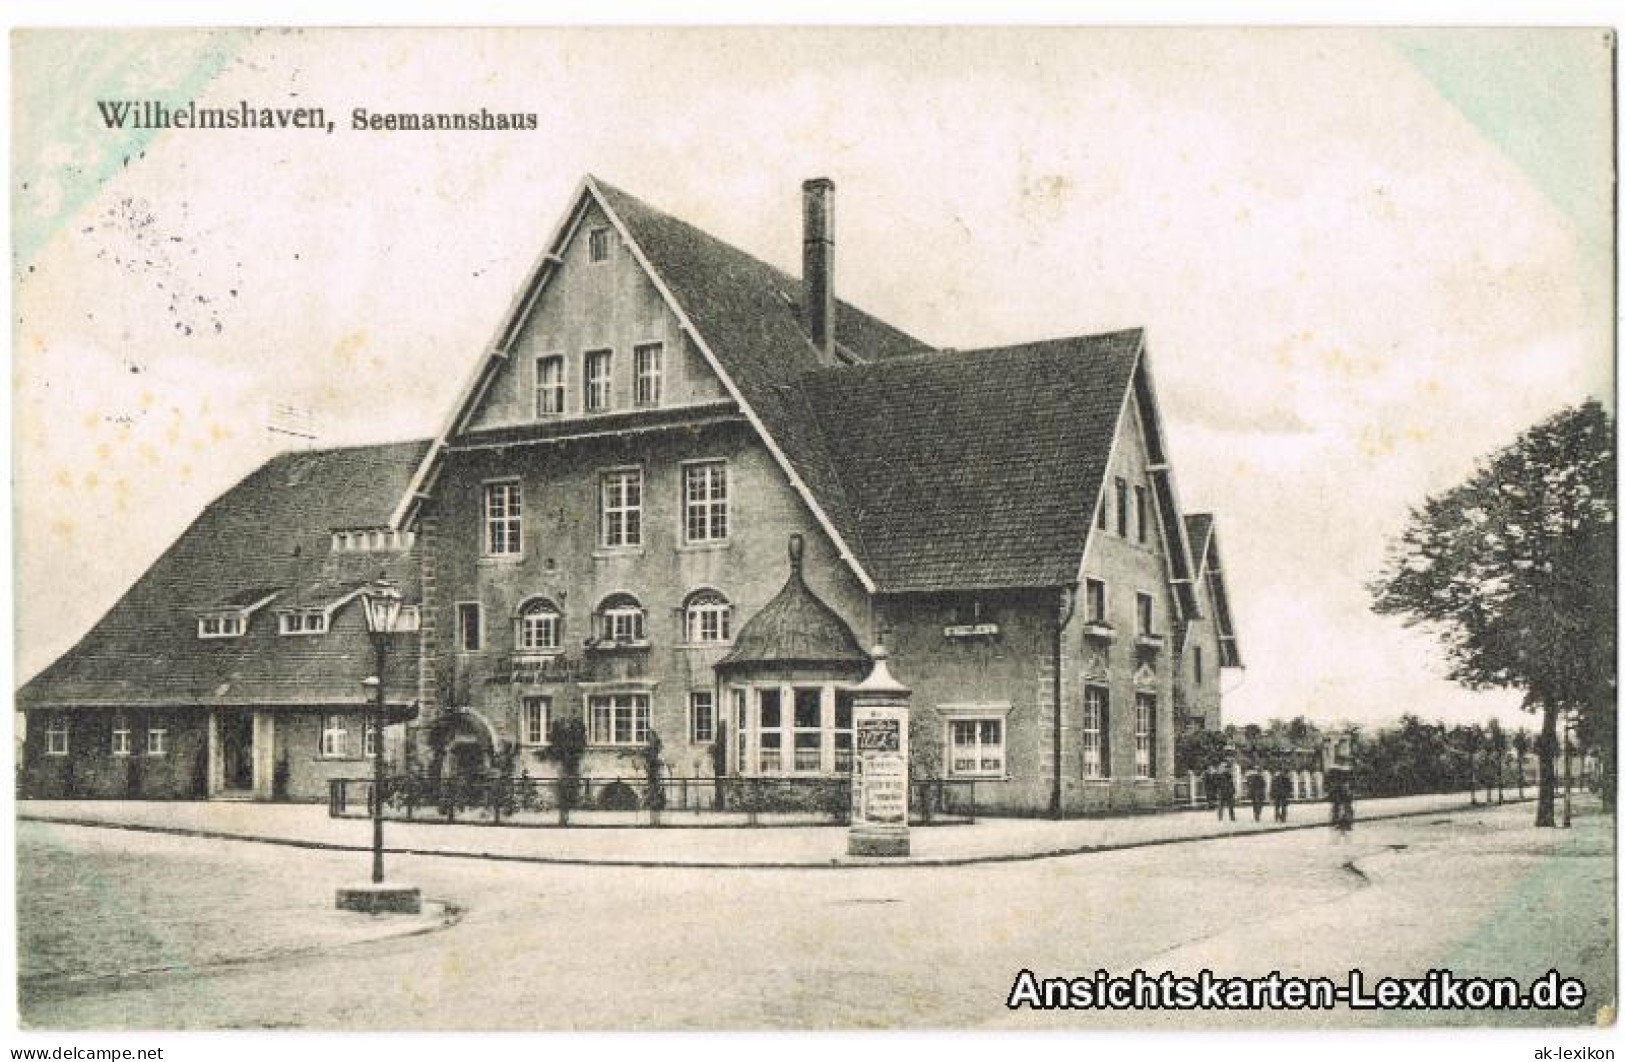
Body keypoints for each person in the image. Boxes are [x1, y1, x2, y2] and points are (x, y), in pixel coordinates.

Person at [1326, 763, 1355, 835]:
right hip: (1342, 792)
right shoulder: (1343, 780)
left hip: (1342, 792)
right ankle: (1343, 822)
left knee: (1341, 807)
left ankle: (1343, 822)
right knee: (1341, 807)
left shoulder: (1341, 781)